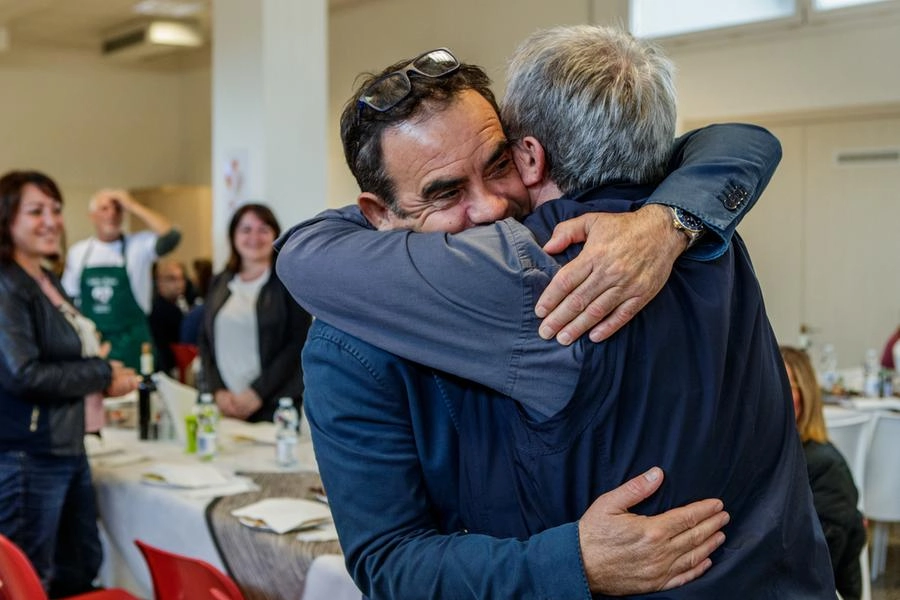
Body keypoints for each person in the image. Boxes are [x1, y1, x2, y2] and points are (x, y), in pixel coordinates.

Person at [276, 30, 833, 598]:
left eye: (498, 166)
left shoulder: (636, 241)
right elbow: (389, 561)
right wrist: (572, 562)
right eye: (445, 194)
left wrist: (669, 219)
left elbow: (725, 145)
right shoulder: (350, 344)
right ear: (378, 213)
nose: (492, 207)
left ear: (528, 153)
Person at [0, 170, 138, 597]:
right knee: (28, 578)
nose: (51, 221)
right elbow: (24, 373)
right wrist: (101, 374)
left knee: (78, 567)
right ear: (7, 219)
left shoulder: (44, 279)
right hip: (30, 453)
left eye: (56, 210)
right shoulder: (7, 284)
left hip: (66, 444)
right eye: (35, 211)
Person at [198, 203, 311, 422]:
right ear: (233, 235)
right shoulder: (220, 282)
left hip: (273, 406)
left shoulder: (289, 281)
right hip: (225, 405)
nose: (254, 237)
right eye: (246, 229)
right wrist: (218, 390)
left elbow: (297, 344)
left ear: (275, 235)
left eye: (263, 230)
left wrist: (256, 393)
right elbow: (205, 340)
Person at [782, 346, 867, 600]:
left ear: (805, 397)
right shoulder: (775, 457)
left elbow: (814, 567)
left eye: (785, 385)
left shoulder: (826, 469)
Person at [62, 189, 181, 371]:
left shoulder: (139, 246)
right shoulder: (78, 253)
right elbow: (68, 302)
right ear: (92, 216)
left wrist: (132, 205)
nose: (112, 214)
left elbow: (172, 235)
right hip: (96, 347)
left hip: (133, 344)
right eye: (104, 208)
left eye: (118, 209)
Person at [149, 259, 192, 375]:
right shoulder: (156, 310)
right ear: (159, 282)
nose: (179, 284)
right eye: (172, 279)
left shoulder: (183, 303)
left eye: (182, 278)